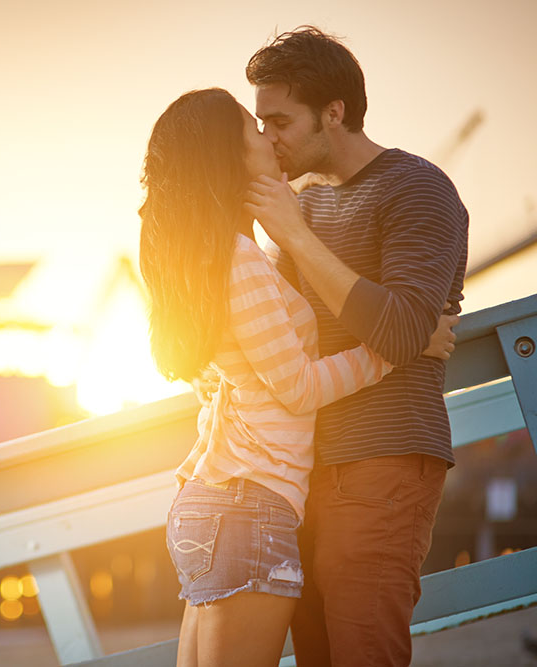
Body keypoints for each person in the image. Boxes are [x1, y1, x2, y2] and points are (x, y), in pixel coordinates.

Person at [140, 87, 396, 667]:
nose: (266, 135)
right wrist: (392, 350)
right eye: (252, 128)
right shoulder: (239, 259)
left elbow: (235, 371)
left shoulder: (210, 257)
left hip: (215, 501)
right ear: (231, 158)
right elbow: (298, 387)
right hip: (249, 504)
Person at [243, 27, 469, 667]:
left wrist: (291, 231)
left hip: (383, 463)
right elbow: (272, 337)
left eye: (279, 120)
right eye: (261, 123)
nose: (268, 138)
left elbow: (399, 329)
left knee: (364, 653)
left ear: (334, 112)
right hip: (302, 472)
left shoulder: (417, 189)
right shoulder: (303, 205)